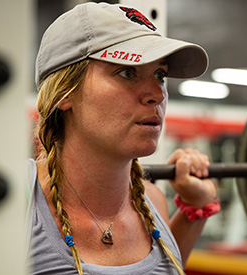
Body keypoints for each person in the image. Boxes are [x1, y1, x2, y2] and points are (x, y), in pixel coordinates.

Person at [27, 2, 220, 274]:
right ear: (65, 92)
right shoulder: (20, 203)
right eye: (127, 72)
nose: (157, 94)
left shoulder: (152, 204)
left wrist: (196, 208)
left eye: (160, 75)